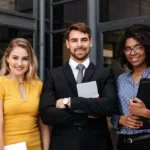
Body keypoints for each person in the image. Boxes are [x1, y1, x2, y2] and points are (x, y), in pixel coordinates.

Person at [39, 22, 117, 150]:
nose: (79, 45)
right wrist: (85, 114)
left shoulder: (104, 73)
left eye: (84, 40)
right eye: (74, 40)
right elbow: (46, 114)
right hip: (63, 145)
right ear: (68, 44)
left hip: (97, 145)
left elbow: (109, 105)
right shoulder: (54, 75)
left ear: (90, 42)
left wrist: (70, 102)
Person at [0, 38, 50, 150]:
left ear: (30, 61)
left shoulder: (38, 86)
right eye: (15, 58)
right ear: (7, 58)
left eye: (25, 59)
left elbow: (44, 126)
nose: (19, 63)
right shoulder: (1, 84)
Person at [111, 24, 150, 150]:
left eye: (138, 47)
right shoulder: (121, 79)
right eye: (127, 49)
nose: (132, 53)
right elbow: (113, 113)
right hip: (124, 144)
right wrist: (120, 120)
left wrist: (146, 113)